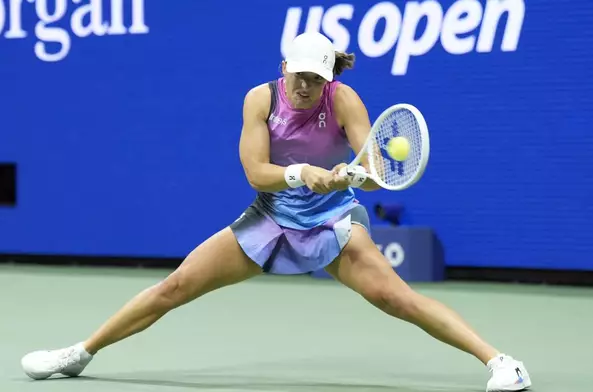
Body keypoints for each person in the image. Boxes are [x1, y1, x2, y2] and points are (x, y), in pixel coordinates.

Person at [20, 32, 531, 392]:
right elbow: (256, 172)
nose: (307, 87)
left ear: (328, 77)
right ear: (283, 68)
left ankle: (501, 362)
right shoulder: (260, 100)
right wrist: (302, 172)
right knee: (174, 287)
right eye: (300, 76)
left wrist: (352, 176)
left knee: (393, 296)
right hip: (270, 216)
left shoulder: (345, 99)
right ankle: (80, 353)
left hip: (333, 218)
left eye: (317, 78)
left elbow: (374, 170)